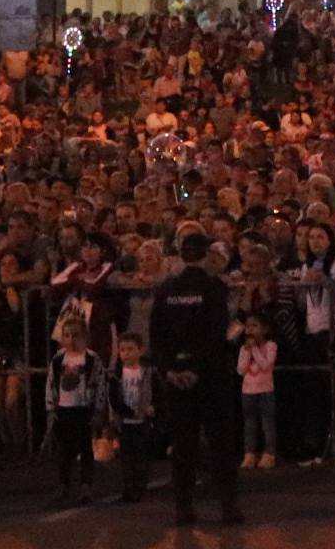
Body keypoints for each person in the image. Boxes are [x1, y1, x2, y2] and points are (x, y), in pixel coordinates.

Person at [151, 223, 246, 527]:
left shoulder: (166, 290)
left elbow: (157, 336)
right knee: (220, 442)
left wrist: (171, 370)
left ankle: (183, 507)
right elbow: (217, 333)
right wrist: (197, 368)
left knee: (184, 444)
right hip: (211, 375)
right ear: (206, 255)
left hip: (178, 377)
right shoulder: (214, 288)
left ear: (180, 255)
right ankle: (228, 505)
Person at [50, 315, 104, 502]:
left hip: (82, 408)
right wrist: (51, 408)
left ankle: (86, 485)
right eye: (67, 336)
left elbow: (99, 384)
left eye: (75, 335)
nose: (71, 340)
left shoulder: (91, 358)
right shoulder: (58, 359)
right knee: (64, 451)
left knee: (85, 449)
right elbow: (51, 383)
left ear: (84, 336)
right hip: (64, 408)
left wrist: (98, 410)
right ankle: (64, 484)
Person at [110, 330, 163, 505]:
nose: (126, 353)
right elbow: (114, 398)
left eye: (130, 349)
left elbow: (159, 393)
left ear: (140, 351)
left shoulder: (148, 372)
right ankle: (128, 488)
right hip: (126, 422)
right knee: (127, 457)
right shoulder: (117, 375)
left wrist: (153, 407)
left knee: (141, 456)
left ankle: (139, 487)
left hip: (143, 421)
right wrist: (126, 412)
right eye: (123, 350)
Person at [238, 313, 280, 469]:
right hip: (248, 392)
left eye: (254, 326)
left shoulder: (271, 346)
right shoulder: (244, 348)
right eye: (248, 326)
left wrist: (255, 349)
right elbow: (241, 369)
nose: (250, 330)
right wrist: (248, 351)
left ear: (265, 329)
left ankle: (269, 454)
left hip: (265, 391)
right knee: (249, 424)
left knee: (267, 424)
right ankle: (249, 454)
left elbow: (266, 365)